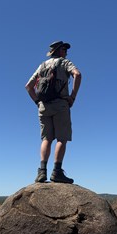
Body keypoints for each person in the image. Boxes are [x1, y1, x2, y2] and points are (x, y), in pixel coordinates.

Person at [25, 41, 82, 184]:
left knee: (46, 139)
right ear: (59, 51)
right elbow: (77, 74)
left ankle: (42, 172)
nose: (66, 52)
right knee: (62, 138)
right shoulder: (64, 63)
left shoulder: (42, 65)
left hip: (43, 107)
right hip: (60, 104)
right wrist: (73, 96)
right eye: (64, 49)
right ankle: (57, 172)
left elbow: (28, 86)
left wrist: (38, 102)